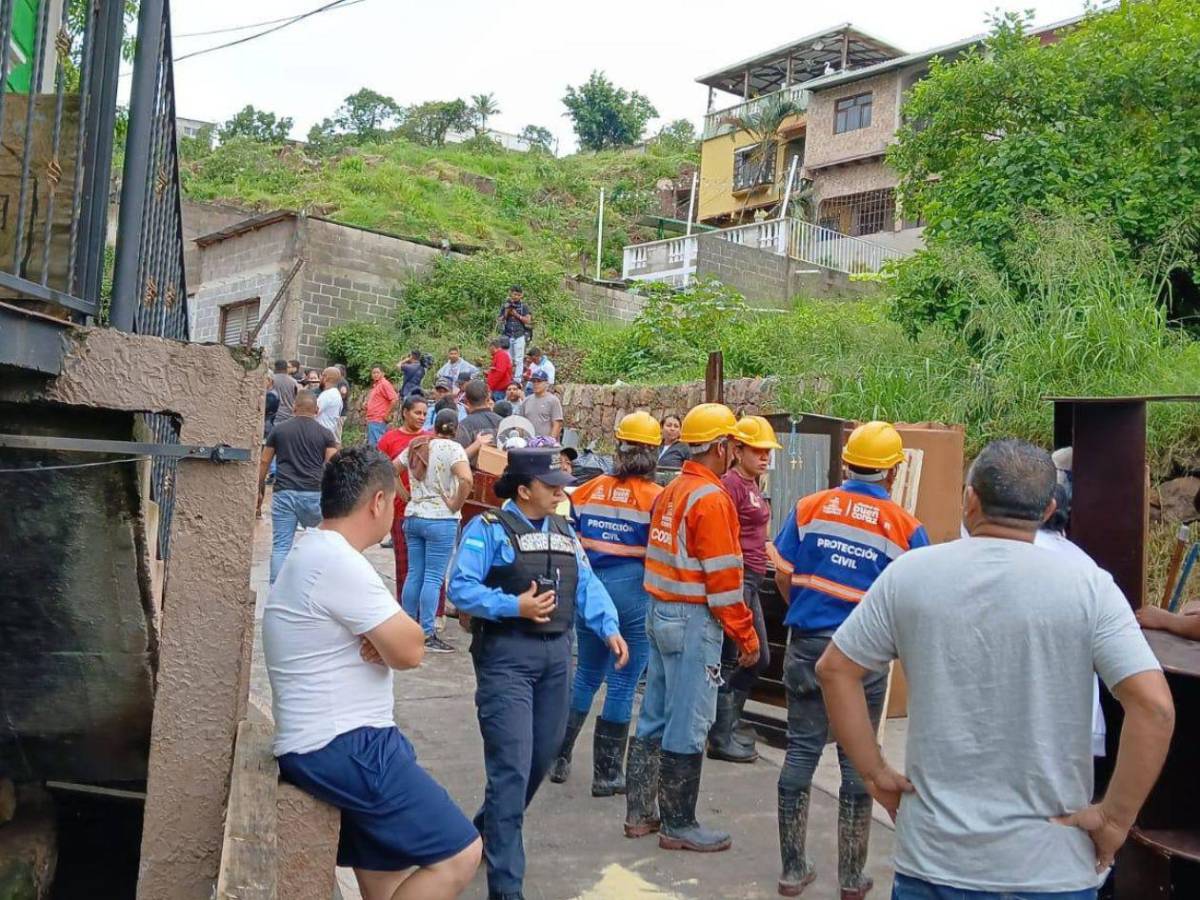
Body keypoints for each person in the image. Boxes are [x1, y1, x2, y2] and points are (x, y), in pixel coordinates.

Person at [818, 438, 1175, 900]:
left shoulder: (912, 574)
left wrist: (874, 772)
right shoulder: (1089, 586)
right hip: (1051, 867)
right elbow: (1154, 708)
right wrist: (1114, 818)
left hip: (935, 863)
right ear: (1048, 509)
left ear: (970, 499)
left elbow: (835, 670)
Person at [263, 449, 481, 899]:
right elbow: (412, 649)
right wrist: (386, 641)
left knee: (387, 873)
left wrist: (383, 640)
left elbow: (396, 644)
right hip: (346, 744)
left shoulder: (313, 551)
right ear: (378, 502)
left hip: (331, 741)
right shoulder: (339, 562)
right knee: (462, 853)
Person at [448, 448, 629, 900]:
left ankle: (480, 835)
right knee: (510, 769)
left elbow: (586, 583)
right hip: (506, 658)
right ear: (525, 490)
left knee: (541, 758)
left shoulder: (565, 530)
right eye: (551, 486)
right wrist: (514, 606)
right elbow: (460, 587)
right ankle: (507, 888)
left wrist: (609, 628)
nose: (559, 492)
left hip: (555, 661)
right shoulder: (488, 530)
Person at [768, 420, 928, 898]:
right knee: (859, 763)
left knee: (800, 752)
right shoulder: (905, 526)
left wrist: (801, 611)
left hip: (807, 646)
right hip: (863, 659)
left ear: (845, 462)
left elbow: (782, 569)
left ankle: (792, 870)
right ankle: (853, 878)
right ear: (894, 470)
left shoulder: (811, 507)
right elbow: (915, 597)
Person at [625, 403, 759, 853]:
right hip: (693, 620)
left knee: (654, 714)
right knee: (690, 721)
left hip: (659, 612)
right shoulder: (712, 499)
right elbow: (723, 583)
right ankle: (678, 823)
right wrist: (746, 635)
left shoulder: (671, 490)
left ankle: (640, 812)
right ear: (721, 447)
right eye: (735, 445)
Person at [550, 412, 664, 795]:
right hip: (634, 592)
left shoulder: (587, 490)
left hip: (591, 589)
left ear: (618, 447)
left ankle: (558, 757)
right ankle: (607, 774)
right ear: (654, 452)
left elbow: (571, 538)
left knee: (586, 675)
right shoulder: (657, 498)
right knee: (623, 682)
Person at [708, 415, 781, 764]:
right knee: (739, 656)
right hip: (739, 580)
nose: (765, 457)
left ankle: (726, 723)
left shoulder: (752, 485)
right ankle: (720, 733)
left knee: (758, 657)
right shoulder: (731, 486)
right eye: (758, 451)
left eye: (768, 452)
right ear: (737, 451)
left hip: (752, 575)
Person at [395, 409, 473, 653]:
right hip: (441, 519)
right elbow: (467, 480)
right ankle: (426, 633)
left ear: (434, 425)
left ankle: (407, 625)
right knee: (433, 577)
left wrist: (406, 496)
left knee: (414, 572)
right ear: (456, 428)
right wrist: (455, 504)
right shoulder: (454, 450)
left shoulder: (417, 445)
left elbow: (390, 469)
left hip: (414, 515)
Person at [259, 391, 339, 584]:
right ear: (317, 410)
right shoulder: (326, 434)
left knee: (281, 546)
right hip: (313, 493)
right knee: (321, 543)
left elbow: (264, 461)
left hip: (284, 492)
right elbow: (333, 465)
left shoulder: (279, 430)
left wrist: (259, 487)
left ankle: (276, 592)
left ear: (294, 408)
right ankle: (313, 586)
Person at [378, 396, 431, 599]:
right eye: (418, 413)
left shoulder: (430, 438)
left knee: (429, 565)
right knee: (404, 564)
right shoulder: (389, 439)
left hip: (427, 510)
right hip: (400, 509)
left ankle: (432, 610)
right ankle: (405, 606)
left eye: (425, 414)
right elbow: (382, 472)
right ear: (405, 412)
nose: (422, 417)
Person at [455, 381, 501, 463]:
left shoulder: (464, 425)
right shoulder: (502, 421)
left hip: (473, 474)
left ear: (466, 401)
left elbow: (458, 458)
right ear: (488, 398)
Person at [496, 285, 532, 378]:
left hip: (519, 335)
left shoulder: (524, 306)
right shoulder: (505, 305)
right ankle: (508, 378)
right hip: (507, 335)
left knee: (519, 359)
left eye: (519, 295)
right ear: (510, 293)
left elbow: (528, 320)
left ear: (521, 296)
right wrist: (506, 312)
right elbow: (499, 320)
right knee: (508, 359)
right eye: (514, 294)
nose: (516, 296)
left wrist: (517, 315)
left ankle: (518, 380)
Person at [517, 370, 563, 440]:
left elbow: (557, 424)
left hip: (544, 445)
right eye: (534, 381)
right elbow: (521, 422)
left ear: (546, 383)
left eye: (539, 381)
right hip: (527, 444)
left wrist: (550, 442)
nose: (536, 384)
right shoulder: (526, 400)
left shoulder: (553, 400)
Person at [362, 364, 399, 449]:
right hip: (373, 419)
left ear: (383, 373)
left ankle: (378, 462)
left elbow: (394, 399)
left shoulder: (384, 384)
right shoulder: (376, 385)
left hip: (378, 419)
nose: (375, 374)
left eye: (377, 372)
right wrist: (366, 405)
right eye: (373, 373)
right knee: (373, 445)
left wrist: (386, 414)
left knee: (377, 446)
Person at [316, 367, 344, 440]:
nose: (320, 378)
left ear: (327, 378)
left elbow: (314, 412)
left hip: (320, 434)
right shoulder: (336, 394)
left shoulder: (327, 395)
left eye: (322, 375)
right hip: (328, 433)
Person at [270, 358, 299, 427]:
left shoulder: (271, 379)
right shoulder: (294, 382)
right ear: (286, 368)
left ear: (275, 367)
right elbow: (297, 397)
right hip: (289, 415)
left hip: (275, 415)